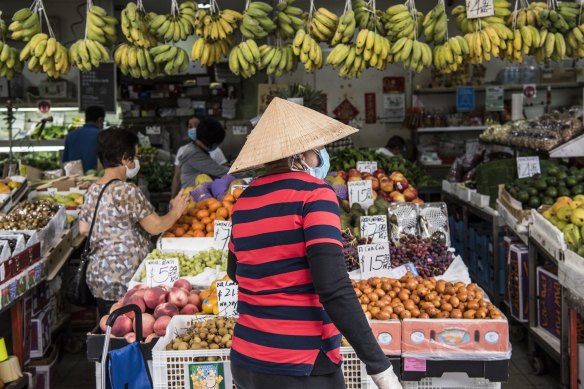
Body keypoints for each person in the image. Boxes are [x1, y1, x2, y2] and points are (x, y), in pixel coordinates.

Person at [226, 98, 401, 389]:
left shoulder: (244, 201)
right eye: (317, 149)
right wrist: (380, 368)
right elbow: (333, 287)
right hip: (301, 363)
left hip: (246, 359)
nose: (320, 156)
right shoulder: (315, 194)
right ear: (298, 154)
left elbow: (236, 272)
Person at [79, 128, 189, 316]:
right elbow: (155, 227)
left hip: (99, 276)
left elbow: (83, 229)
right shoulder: (127, 191)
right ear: (124, 158)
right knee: (127, 328)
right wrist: (176, 212)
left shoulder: (92, 189)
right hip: (125, 279)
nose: (136, 162)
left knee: (110, 328)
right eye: (135, 157)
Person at [171, 116, 229, 197]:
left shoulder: (195, 149)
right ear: (211, 141)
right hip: (191, 201)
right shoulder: (194, 154)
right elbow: (222, 171)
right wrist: (246, 172)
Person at [62, 105, 105, 171]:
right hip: (96, 176)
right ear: (100, 120)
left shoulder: (71, 135)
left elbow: (65, 162)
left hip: (74, 178)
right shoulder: (103, 135)